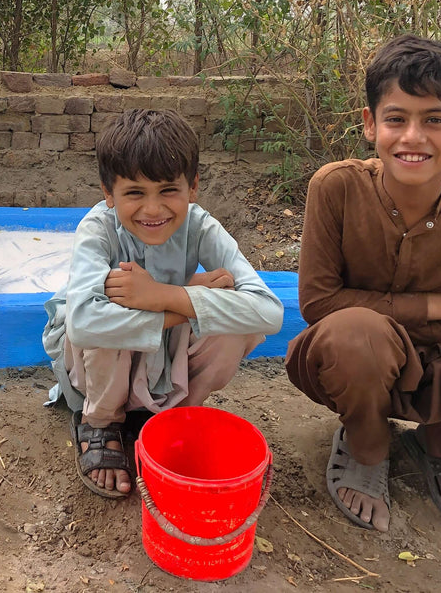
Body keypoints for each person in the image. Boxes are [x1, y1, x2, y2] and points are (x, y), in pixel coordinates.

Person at [286, 34, 441, 536]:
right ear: (370, 123)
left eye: (434, 120)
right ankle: (367, 447)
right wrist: (440, 306)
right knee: (355, 333)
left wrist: (400, 315)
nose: (413, 137)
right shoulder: (335, 188)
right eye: (396, 118)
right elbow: (319, 303)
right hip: (361, 361)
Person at [43, 109, 284, 498]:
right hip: (91, 372)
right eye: (134, 193)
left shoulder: (201, 225)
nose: (153, 210)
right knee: (108, 307)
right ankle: (100, 423)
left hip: (158, 357)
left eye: (168, 190)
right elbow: (84, 324)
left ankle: (168, 419)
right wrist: (180, 302)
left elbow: (269, 312)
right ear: (109, 194)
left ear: (193, 187)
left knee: (237, 321)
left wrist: (165, 293)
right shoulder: (98, 228)